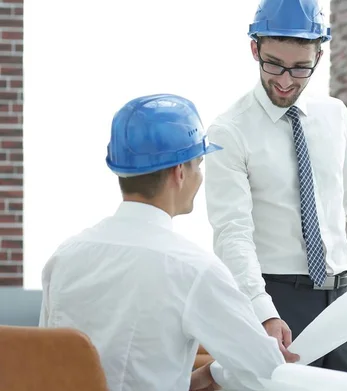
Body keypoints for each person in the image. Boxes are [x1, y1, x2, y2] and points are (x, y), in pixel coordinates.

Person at [204, 0, 347, 374]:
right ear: (254, 49)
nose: (285, 79)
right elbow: (233, 235)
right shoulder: (230, 131)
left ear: (319, 57)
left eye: (299, 67)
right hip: (278, 298)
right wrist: (263, 312)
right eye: (273, 63)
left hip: (341, 298)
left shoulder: (334, 114)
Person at [38, 94, 297, 391]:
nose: (200, 177)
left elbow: (63, 367)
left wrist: (193, 380)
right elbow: (266, 371)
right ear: (179, 173)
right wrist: (220, 370)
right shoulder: (193, 269)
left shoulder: (64, 257)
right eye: (198, 165)